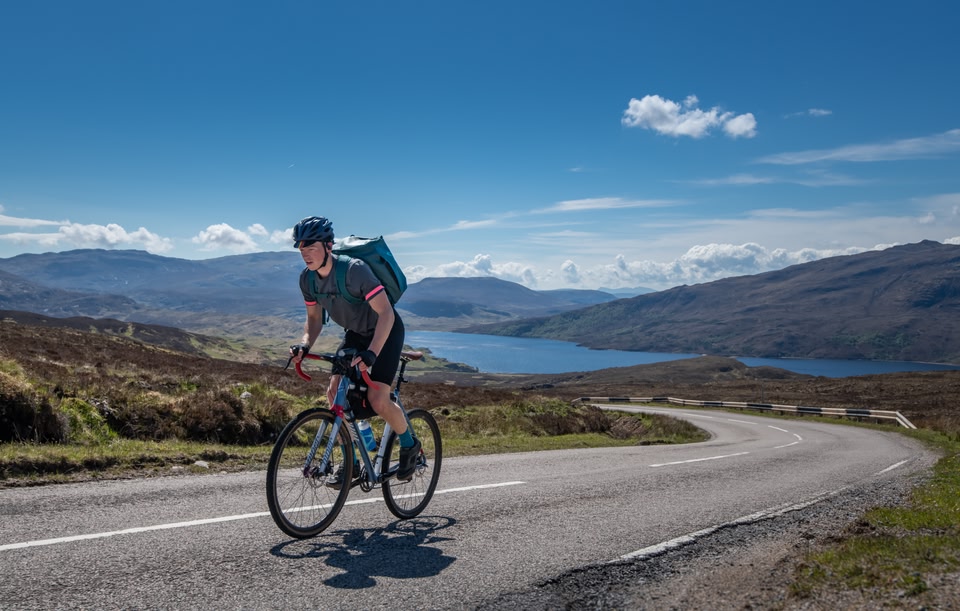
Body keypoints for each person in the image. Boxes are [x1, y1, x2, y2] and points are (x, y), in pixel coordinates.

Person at [287, 215, 419, 486]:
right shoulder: (307, 280)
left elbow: (385, 314)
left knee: (378, 399)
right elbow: (313, 321)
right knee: (335, 394)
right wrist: (304, 344)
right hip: (356, 334)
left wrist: (372, 352)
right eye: (301, 248)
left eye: (311, 247)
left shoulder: (354, 270)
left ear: (328, 246)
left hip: (386, 330)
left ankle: (410, 445)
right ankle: (352, 464)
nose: (305, 254)